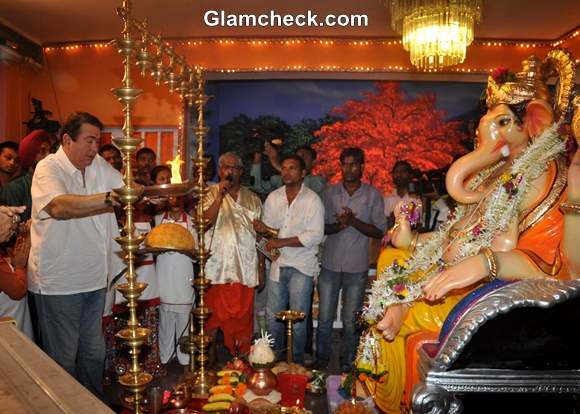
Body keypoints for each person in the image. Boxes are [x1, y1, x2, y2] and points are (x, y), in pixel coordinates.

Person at [28, 112, 124, 398]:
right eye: (89, 140)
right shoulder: (49, 168)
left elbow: (125, 187)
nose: (95, 148)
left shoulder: (96, 165)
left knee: (95, 354)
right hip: (59, 283)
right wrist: (109, 199)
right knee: (63, 360)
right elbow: (60, 207)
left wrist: (164, 191)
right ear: (67, 140)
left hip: (94, 278)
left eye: (98, 141)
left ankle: (91, 405)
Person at [315, 147, 386, 372]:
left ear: (362, 166)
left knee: (350, 320)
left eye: (354, 164)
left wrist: (353, 221)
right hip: (330, 263)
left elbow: (379, 231)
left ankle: (348, 363)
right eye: (345, 164)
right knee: (325, 318)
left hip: (357, 266)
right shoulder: (330, 193)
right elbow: (321, 227)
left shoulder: (373, 194)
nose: (349, 168)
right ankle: (321, 360)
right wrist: (340, 224)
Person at [253, 155, 324, 364]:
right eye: (283, 167)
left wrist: (281, 243)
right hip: (277, 264)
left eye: (292, 168)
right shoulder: (274, 198)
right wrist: (262, 230)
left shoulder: (312, 200)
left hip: (302, 267)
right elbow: (269, 234)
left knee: (298, 319)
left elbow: (315, 236)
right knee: (274, 317)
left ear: (303, 173)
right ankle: (273, 361)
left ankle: (296, 364)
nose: (286, 172)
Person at [202, 152, 262, 355]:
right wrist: (219, 196)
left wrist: (261, 267)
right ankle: (207, 366)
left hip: (244, 270)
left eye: (234, 167)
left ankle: (241, 363)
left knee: (242, 323)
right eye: (226, 167)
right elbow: (202, 222)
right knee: (212, 321)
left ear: (241, 172)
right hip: (215, 270)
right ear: (219, 171)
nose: (230, 171)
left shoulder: (253, 199)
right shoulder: (209, 194)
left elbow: (260, 237)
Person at [155, 195, 196, 366]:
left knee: (184, 317)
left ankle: (184, 358)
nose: (175, 200)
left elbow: (196, 254)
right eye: (171, 197)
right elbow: (151, 247)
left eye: (178, 197)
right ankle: (165, 356)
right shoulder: (158, 220)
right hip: (164, 275)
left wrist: (184, 247)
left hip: (183, 276)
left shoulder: (192, 222)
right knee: (165, 319)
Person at [1, 130, 52, 221]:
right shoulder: (15, 187)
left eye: (50, 151)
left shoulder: (53, 183)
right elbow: (9, 225)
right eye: (43, 151)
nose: (49, 156)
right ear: (31, 155)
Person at [0, 222, 33, 339]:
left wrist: (23, 238)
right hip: (10, 334)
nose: (11, 227)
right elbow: (18, 291)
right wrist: (19, 266)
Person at [384, 160, 421, 229]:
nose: (398, 175)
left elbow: (418, 224)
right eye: (396, 172)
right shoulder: (387, 199)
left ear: (411, 175)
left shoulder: (418, 197)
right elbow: (386, 226)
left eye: (403, 171)